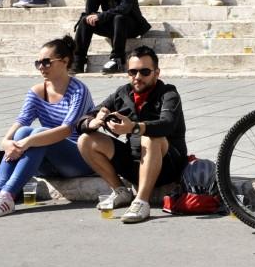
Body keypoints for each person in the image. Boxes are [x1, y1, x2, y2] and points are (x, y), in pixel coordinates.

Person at [0, 35, 95, 218]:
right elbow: (21, 121)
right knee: (23, 132)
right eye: (38, 63)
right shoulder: (37, 91)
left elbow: (66, 130)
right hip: (46, 160)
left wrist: (28, 141)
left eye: (46, 62)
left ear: (65, 61)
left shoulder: (78, 90)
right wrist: (6, 142)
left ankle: (8, 195)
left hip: (77, 160)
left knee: (37, 134)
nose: (41, 67)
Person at [76, 46, 187, 224]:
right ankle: (120, 192)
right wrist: (93, 122)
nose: (137, 77)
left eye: (144, 71)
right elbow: (84, 119)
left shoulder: (169, 94)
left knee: (150, 136)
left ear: (156, 73)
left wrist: (134, 127)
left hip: (167, 165)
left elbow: (167, 124)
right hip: (134, 163)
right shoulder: (122, 93)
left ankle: (142, 201)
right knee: (85, 140)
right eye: (132, 71)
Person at [73, 0, 151, 75]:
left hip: (130, 25)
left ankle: (117, 59)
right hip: (111, 25)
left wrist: (101, 16)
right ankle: (78, 60)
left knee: (119, 18)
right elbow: (90, 11)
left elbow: (125, 8)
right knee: (85, 20)